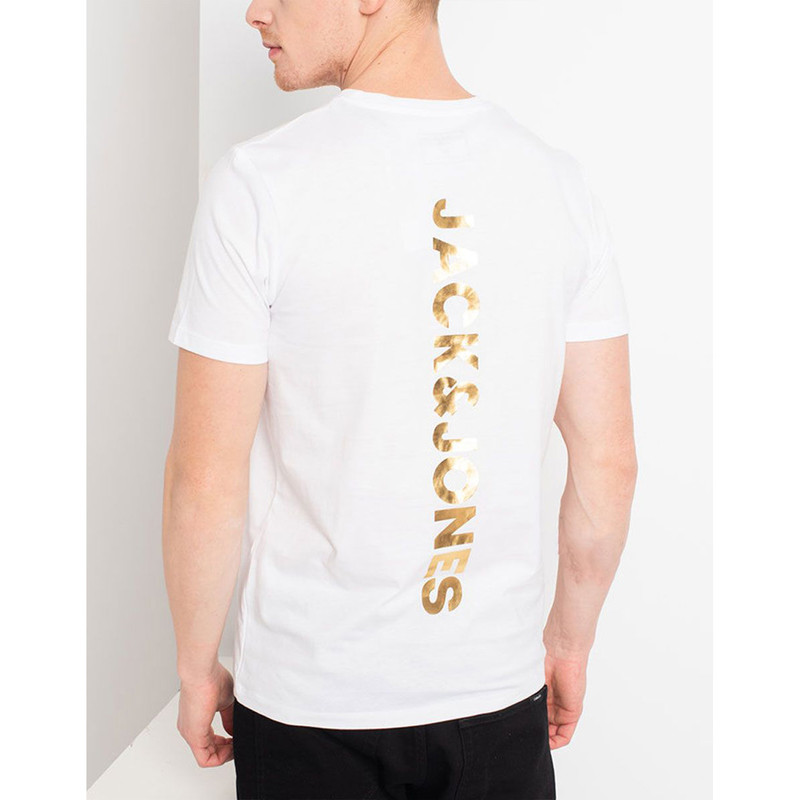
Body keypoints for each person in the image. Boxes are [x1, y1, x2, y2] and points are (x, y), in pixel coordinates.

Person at [161, 0, 638, 797]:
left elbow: (203, 480)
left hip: (315, 703)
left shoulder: (259, 185)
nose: (254, 11)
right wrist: (569, 642)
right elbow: (608, 465)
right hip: (497, 697)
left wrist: (194, 665)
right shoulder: (557, 185)